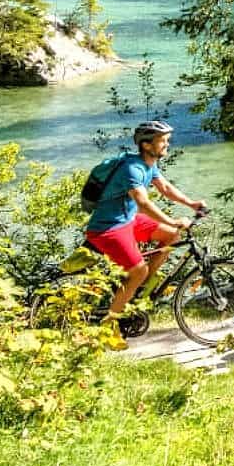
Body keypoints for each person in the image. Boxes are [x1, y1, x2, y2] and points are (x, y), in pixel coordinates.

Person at [84, 120, 206, 324]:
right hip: (108, 228)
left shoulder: (149, 164)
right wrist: (173, 220)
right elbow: (142, 203)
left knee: (171, 235)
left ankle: (141, 286)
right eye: (163, 141)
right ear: (147, 145)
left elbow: (165, 188)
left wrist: (191, 203)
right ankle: (109, 323)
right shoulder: (132, 169)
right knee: (139, 269)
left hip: (127, 221)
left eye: (168, 140)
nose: (167, 144)